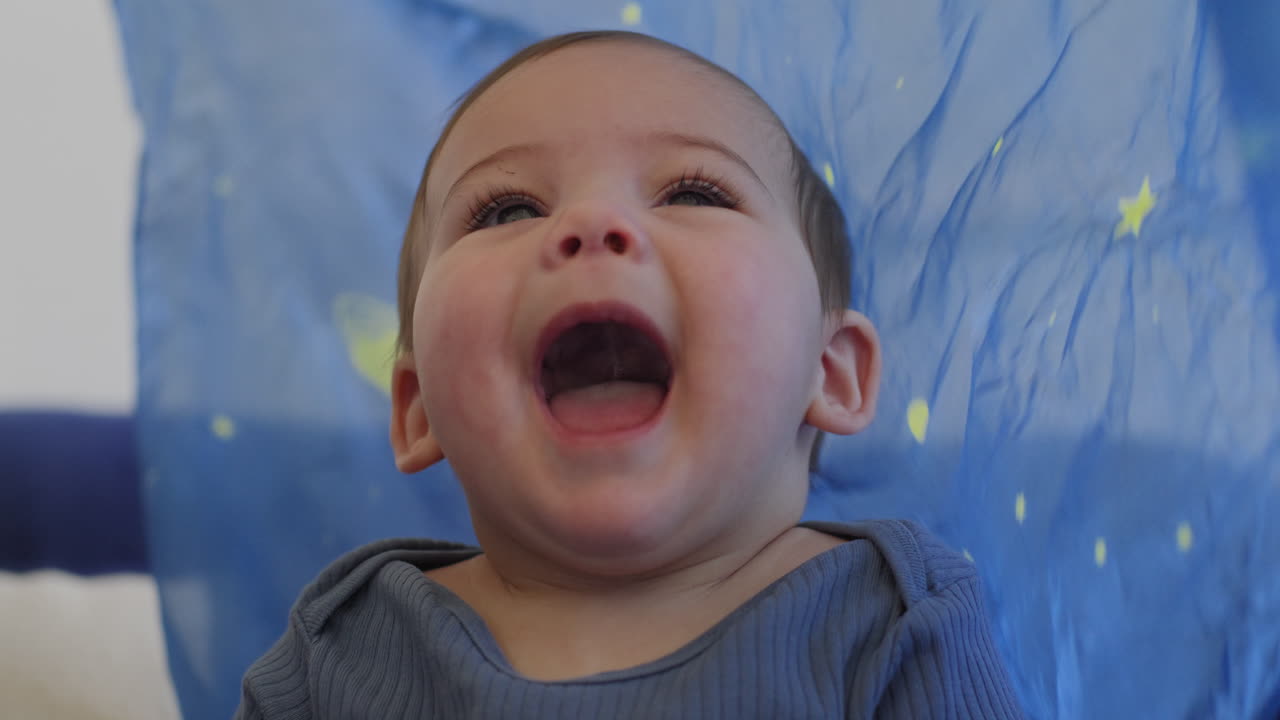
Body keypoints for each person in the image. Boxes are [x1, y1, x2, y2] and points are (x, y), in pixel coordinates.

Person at [235, 30, 1024, 719]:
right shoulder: (343, 644)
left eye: (692, 192)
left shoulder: (892, 619)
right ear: (417, 408)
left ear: (831, 373)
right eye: (508, 210)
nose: (591, 223)